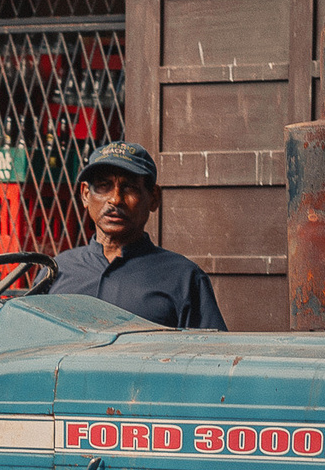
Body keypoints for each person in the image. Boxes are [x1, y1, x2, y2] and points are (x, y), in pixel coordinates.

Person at [46, 141, 225, 330]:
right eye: (104, 186)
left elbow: (211, 354)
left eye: (130, 187)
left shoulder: (184, 279)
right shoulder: (58, 272)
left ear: (154, 198)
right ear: (85, 195)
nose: (115, 199)